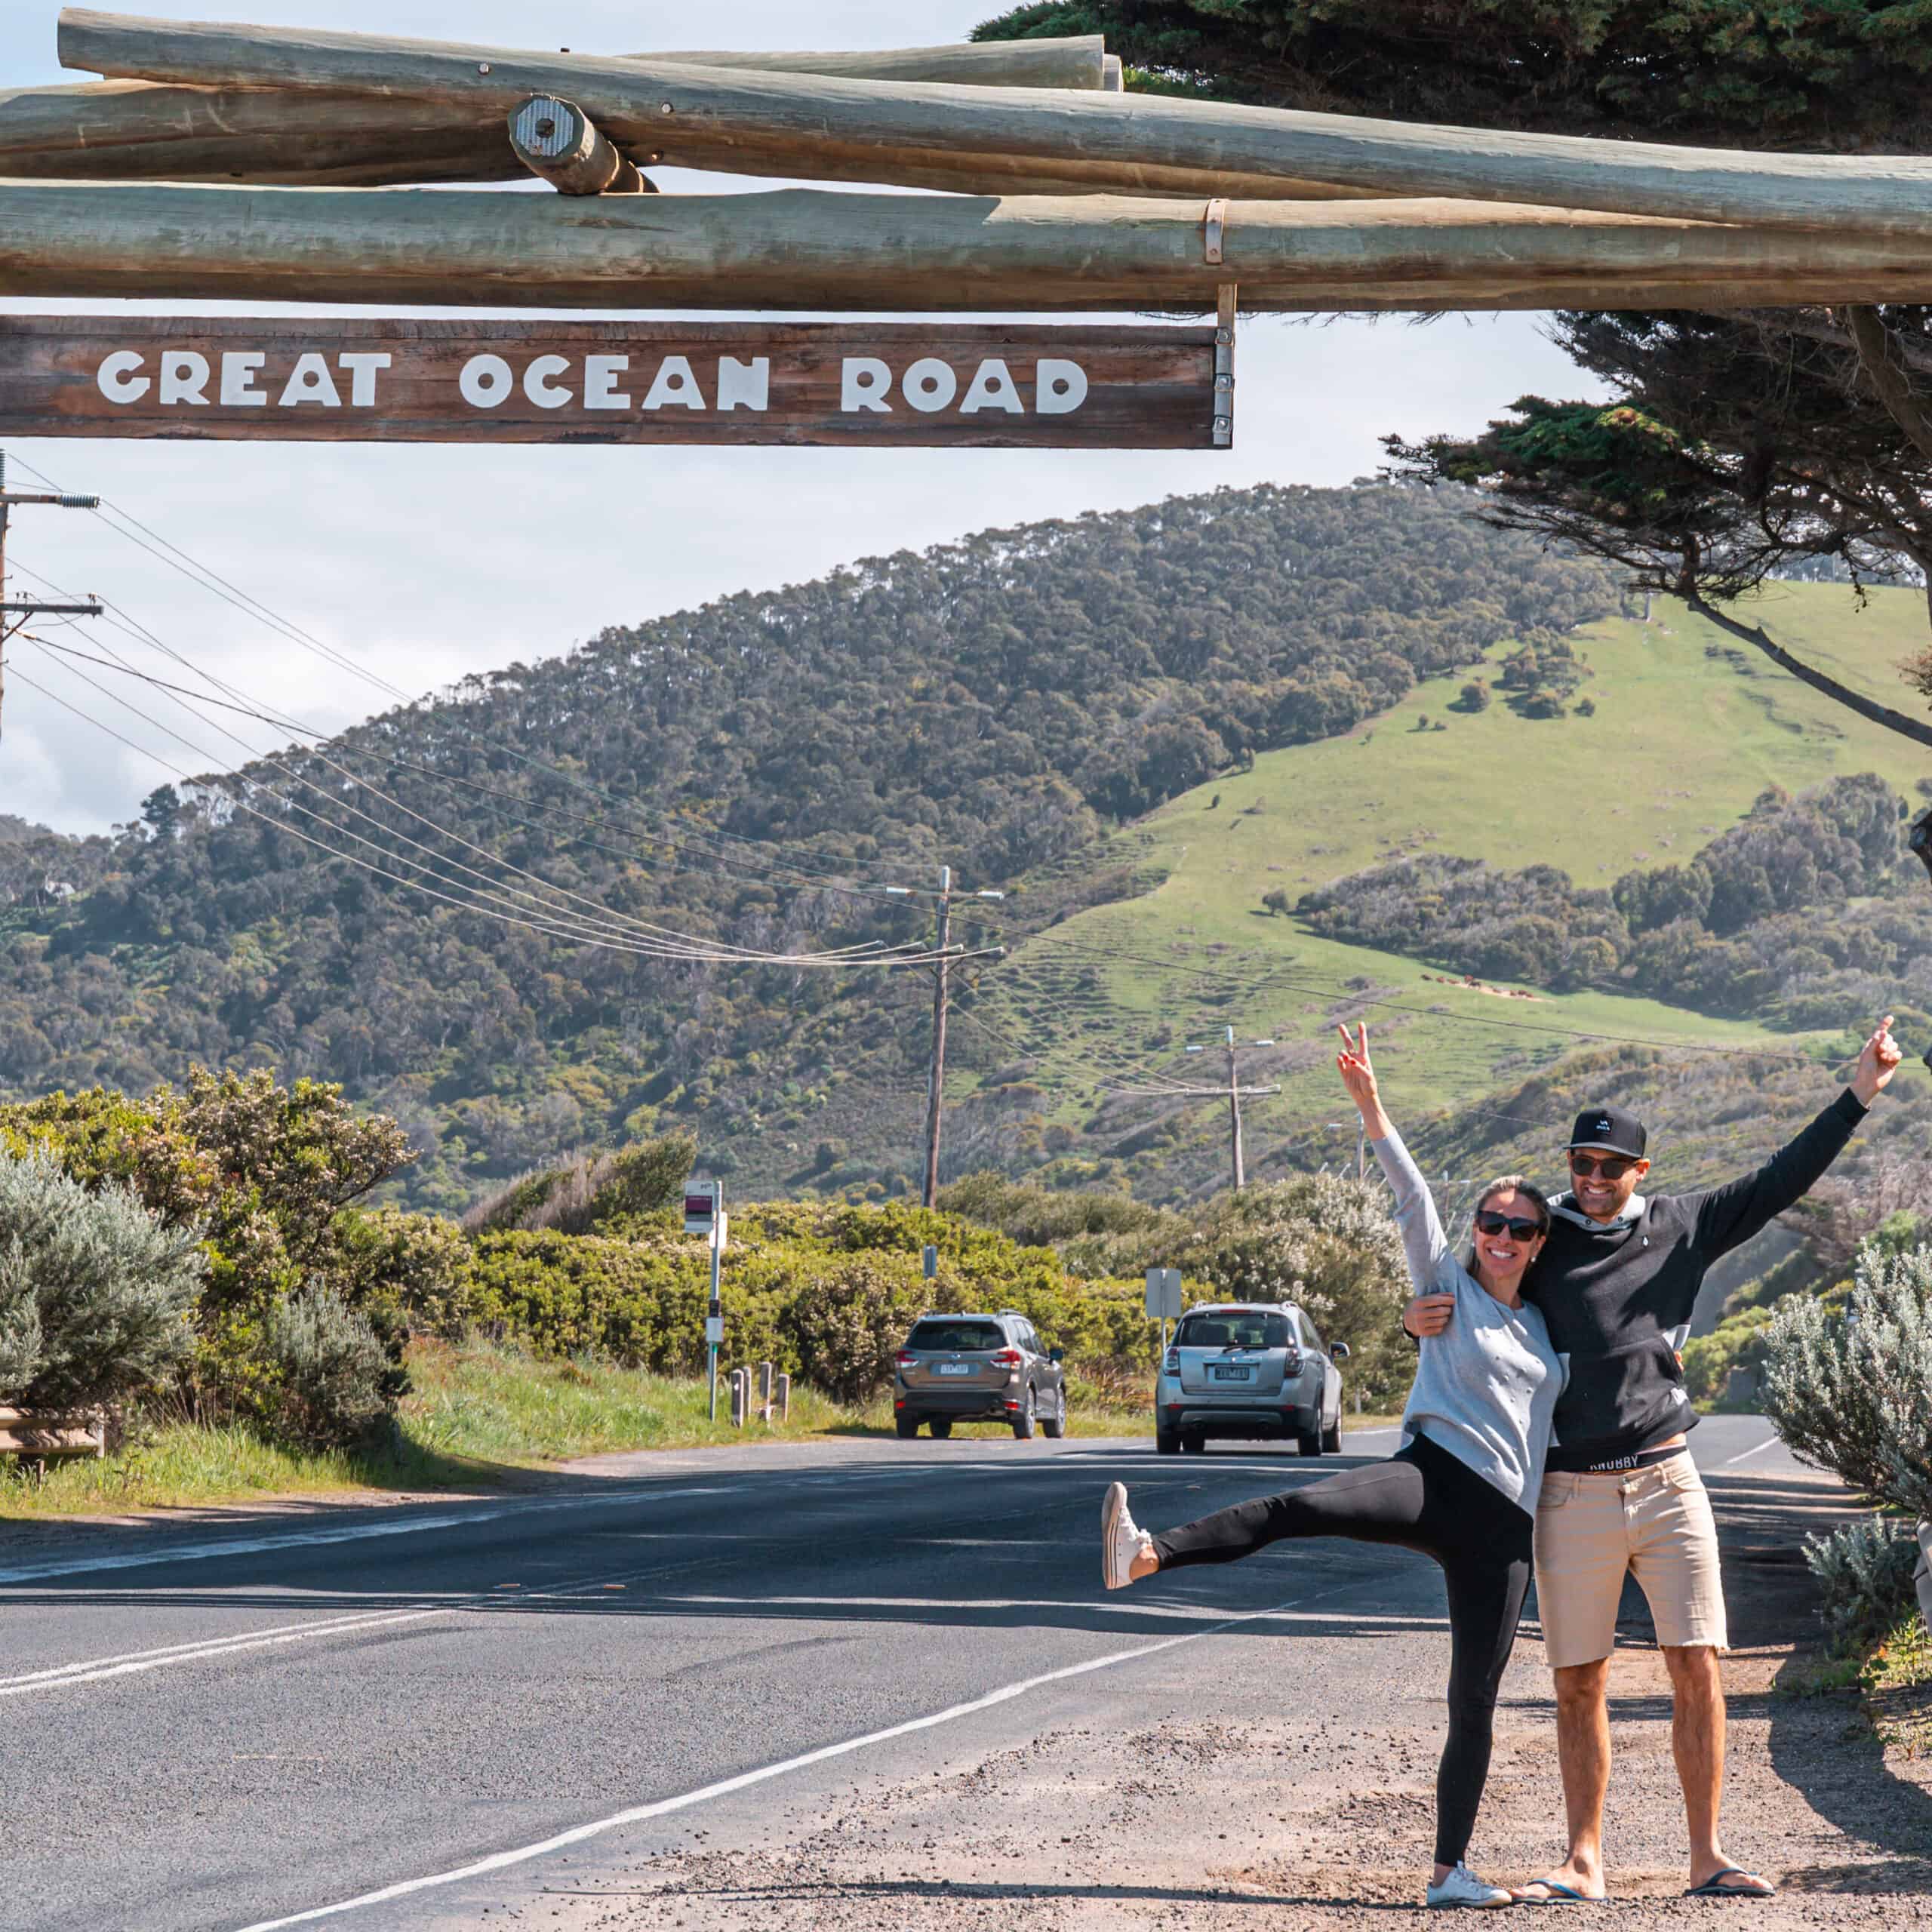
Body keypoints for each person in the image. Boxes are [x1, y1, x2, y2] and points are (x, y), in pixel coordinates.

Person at [1403, 1014, 1905, 1903]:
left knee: (1696, 1661)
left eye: (1608, 1168)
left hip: (1669, 1479)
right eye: (1579, 1165)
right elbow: (1463, 1280)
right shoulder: (1541, 1235)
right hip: (1568, 1490)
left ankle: (1706, 1854)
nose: (1590, 1181)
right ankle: (1584, 1859)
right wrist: (1409, 1319)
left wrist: (1859, 1092)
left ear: (1641, 1171)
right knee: (1576, 1678)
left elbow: (1781, 1179)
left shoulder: (1684, 1224)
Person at [1102, 1024, 1568, 1910]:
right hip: (1432, 1478)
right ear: (1474, 1229)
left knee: (1474, 1698)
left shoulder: (1545, 1330)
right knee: (1299, 1504)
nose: (1502, 1235)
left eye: (1520, 1227)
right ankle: (1146, 1552)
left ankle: (1448, 1875)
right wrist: (1370, 1104)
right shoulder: (1446, 1283)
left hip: (1506, 1526)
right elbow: (1410, 1192)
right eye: (1491, 1222)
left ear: (1540, 1241)